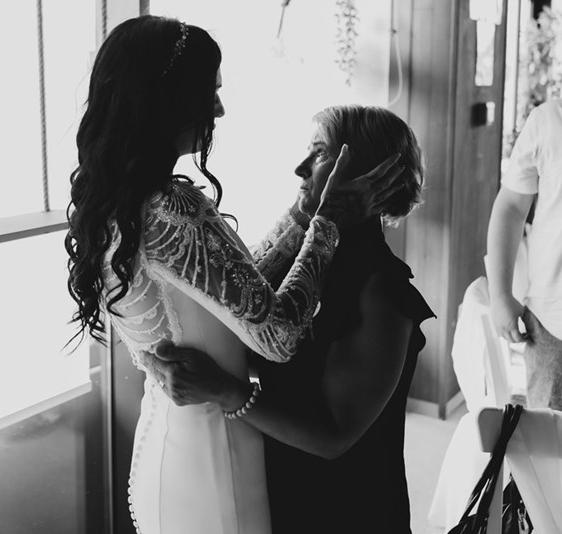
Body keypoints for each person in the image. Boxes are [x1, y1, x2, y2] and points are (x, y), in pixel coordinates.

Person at [65, 16, 403, 534]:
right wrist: (326, 223)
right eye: (210, 93)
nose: (218, 109)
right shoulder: (172, 208)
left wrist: (302, 214)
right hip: (214, 454)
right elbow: (274, 331)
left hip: (168, 435)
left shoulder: (115, 200)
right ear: (171, 99)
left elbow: (233, 296)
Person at [142, 105, 433, 533]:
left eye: (318, 154)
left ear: (364, 175)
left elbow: (333, 435)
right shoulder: (316, 264)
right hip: (291, 497)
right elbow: (248, 323)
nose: (299, 168)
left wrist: (225, 391)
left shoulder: (383, 291)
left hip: (350, 514)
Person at [487, 99, 562, 407]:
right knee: (550, 448)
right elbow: (510, 207)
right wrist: (500, 294)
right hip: (553, 325)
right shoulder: (547, 121)